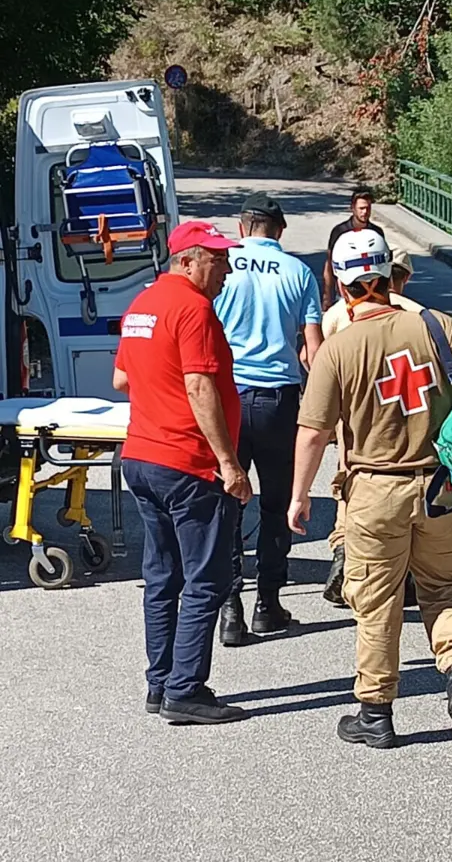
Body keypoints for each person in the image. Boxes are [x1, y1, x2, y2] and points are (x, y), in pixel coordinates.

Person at [288, 229, 452, 748]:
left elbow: (313, 432)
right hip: (441, 488)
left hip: (374, 491)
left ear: (341, 284)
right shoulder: (437, 326)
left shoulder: (337, 349)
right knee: (448, 587)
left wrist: (297, 497)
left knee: (376, 603)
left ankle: (376, 714)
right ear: (389, 276)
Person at [113, 221, 253, 725]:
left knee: (161, 575)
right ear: (188, 261)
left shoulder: (142, 305)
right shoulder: (193, 308)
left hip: (143, 456)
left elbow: (123, 376)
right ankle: (185, 690)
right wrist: (229, 464)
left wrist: (159, 399)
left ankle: (160, 683)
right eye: (218, 260)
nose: (228, 268)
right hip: (188, 462)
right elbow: (198, 386)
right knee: (206, 579)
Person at [211, 193, 323, 646]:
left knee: (228, 503)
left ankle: (230, 607)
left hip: (229, 398)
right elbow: (314, 348)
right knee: (278, 505)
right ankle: (268, 604)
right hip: (279, 400)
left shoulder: (221, 267)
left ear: (242, 227)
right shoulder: (298, 272)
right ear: (279, 231)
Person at [321, 242, 422, 606]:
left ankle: (343, 549)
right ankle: (403, 572)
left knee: (348, 483)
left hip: (353, 419)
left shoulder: (335, 315)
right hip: (408, 414)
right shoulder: (418, 314)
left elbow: (323, 371)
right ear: (402, 277)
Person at [323, 187, 387, 310]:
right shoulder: (339, 232)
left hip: (374, 292)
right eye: (361, 208)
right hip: (346, 292)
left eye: (368, 208)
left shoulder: (377, 233)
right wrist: (327, 296)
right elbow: (330, 265)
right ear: (352, 208)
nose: (365, 212)